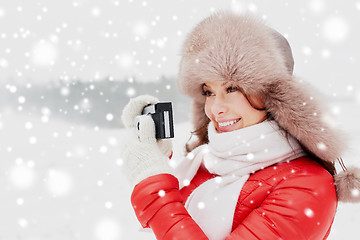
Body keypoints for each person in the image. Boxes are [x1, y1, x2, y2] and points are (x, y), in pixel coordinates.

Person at [120, 12, 360, 240]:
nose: (216, 108)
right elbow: (159, 220)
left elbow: (163, 211)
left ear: (271, 95)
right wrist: (156, 160)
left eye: (231, 88)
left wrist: (153, 185)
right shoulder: (207, 159)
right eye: (209, 92)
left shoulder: (309, 187)